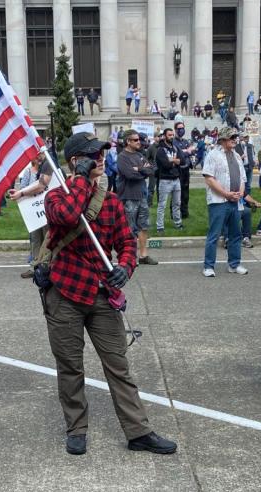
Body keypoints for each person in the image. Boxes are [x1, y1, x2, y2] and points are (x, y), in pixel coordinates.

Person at [42, 132, 176, 456]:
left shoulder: (111, 201)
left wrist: (126, 268)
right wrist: (79, 179)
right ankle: (76, 427)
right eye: (93, 154)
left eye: (102, 152)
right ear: (75, 160)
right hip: (65, 293)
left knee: (118, 364)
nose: (101, 157)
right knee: (70, 366)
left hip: (102, 294)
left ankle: (138, 431)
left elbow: (127, 244)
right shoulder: (56, 196)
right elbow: (68, 216)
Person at [202, 127, 248, 276]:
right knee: (214, 234)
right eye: (231, 137)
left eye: (235, 137)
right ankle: (208, 266)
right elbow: (209, 178)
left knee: (236, 234)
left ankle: (234, 264)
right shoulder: (213, 155)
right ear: (222, 139)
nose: (235, 139)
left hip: (235, 201)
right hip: (218, 201)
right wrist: (226, 194)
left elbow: (242, 177)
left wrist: (240, 193)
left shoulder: (237, 156)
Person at [116, 129, 157, 266]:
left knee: (143, 226)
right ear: (128, 141)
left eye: (139, 139)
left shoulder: (139, 155)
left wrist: (138, 169)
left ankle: (143, 255)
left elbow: (151, 169)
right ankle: (130, 257)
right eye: (135, 140)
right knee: (130, 228)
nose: (139, 142)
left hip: (141, 196)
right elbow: (129, 175)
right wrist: (142, 171)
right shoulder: (122, 157)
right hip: (128, 197)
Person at [10, 151, 54, 277]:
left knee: (47, 239)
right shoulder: (43, 164)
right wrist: (21, 192)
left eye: (34, 155)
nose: (32, 158)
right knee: (36, 238)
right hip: (39, 209)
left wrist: (21, 193)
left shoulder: (48, 163)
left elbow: (42, 185)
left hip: (47, 210)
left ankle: (46, 267)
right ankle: (36, 267)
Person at [173, 121, 193, 219]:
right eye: (179, 128)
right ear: (176, 130)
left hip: (186, 169)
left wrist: (186, 151)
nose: (181, 130)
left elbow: (191, 150)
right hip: (178, 170)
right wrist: (186, 151)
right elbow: (177, 153)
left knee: (185, 192)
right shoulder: (173, 141)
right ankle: (175, 213)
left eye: (183, 128)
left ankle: (185, 212)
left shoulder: (185, 141)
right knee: (177, 192)